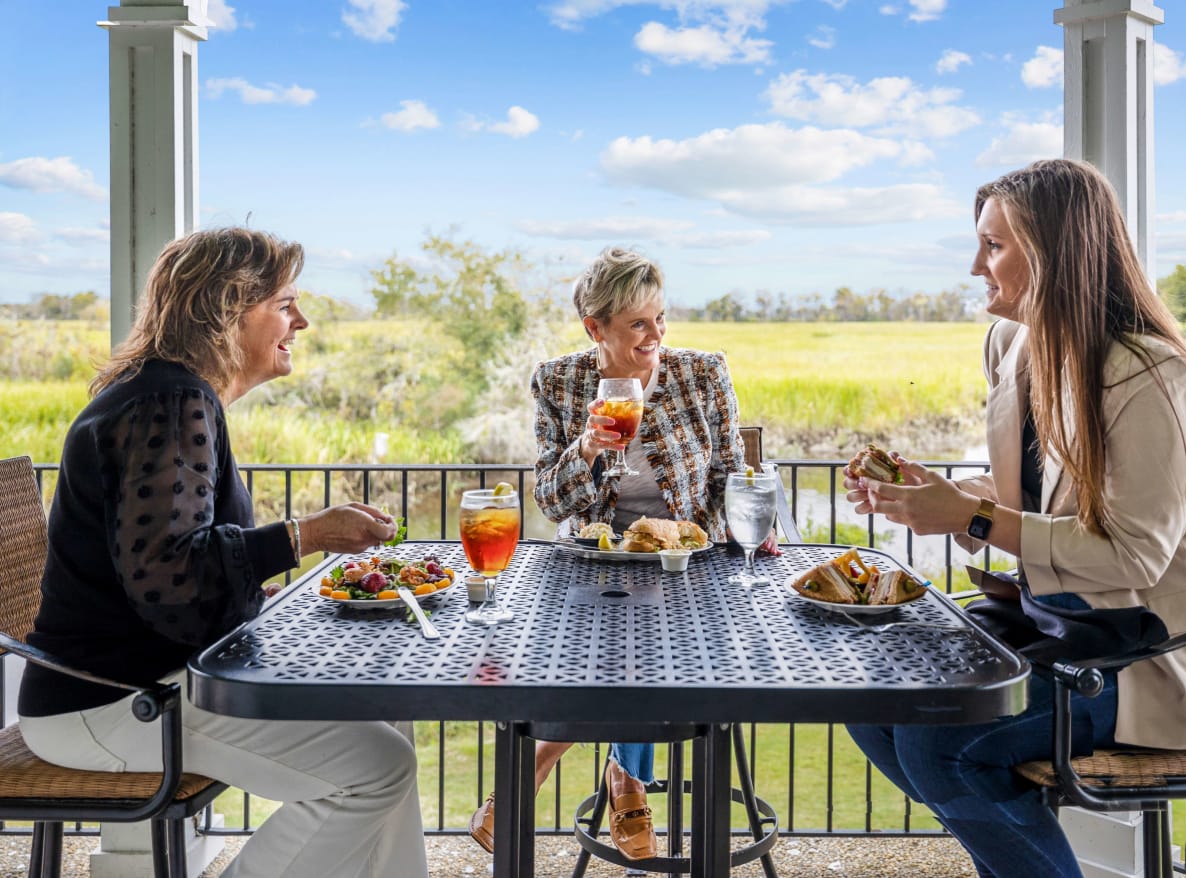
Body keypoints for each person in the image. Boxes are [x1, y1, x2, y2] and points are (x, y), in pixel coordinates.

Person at [842, 159, 1186, 878]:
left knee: (945, 746)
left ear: (1061, 252)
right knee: (870, 697)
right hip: (1060, 624)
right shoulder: (1013, 346)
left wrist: (970, 518)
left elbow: (1131, 556)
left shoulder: (1148, 372)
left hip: (1150, 656)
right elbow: (1034, 492)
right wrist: (933, 493)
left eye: (995, 245)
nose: (976, 265)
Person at [17, 228, 429, 878]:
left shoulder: (164, 395)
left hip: (149, 683)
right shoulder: (170, 404)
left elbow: (174, 572)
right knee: (375, 770)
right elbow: (170, 576)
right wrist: (306, 536)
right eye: (285, 302)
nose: (303, 320)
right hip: (112, 701)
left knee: (385, 723)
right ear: (228, 309)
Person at [468, 246, 767, 861]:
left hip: (686, 562)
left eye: (660, 317)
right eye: (637, 323)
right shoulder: (559, 381)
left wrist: (714, 534)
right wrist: (583, 449)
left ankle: (547, 764)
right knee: (614, 641)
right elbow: (550, 501)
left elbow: (731, 477)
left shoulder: (703, 373)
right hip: (588, 561)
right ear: (594, 329)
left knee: (646, 636)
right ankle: (625, 780)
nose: (656, 334)